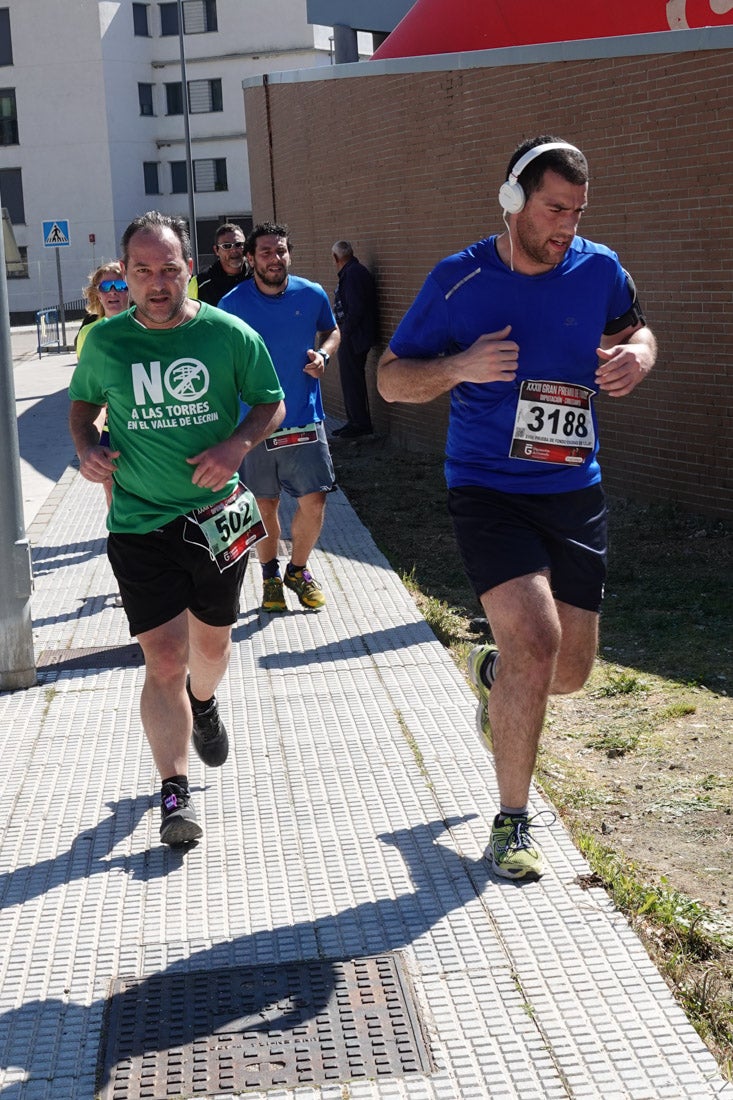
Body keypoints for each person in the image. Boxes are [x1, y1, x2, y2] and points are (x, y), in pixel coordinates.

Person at [377, 136, 657, 881]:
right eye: (553, 207)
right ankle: (511, 820)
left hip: (573, 492)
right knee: (536, 640)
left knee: (567, 670)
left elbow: (635, 329)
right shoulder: (458, 281)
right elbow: (391, 380)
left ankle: (495, 676)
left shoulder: (599, 269)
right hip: (487, 490)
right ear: (512, 200)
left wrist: (640, 356)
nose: (566, 224)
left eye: (577, 210)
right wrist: (458, 366)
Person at [69, 211, 285, 847]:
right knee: (163, 657)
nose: (157, 283)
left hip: (216, 517)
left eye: (169, 269)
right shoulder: (107, 343)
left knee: (210, 651)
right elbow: (83, 405)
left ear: (190, 268)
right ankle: (175, 790)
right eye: (143, 272)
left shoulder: (227, 333)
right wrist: (87, 447)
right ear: (125, 276)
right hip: (138, 521)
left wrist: (237, 447)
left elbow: (270, 401)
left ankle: (207, 701)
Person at [218, 221, 340, 613]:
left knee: (315, 502)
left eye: (281, 251)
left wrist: (324, 355)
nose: (275, 259)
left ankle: (298, 570)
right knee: (264, 505)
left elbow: (332, 331)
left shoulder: (312, 293)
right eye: (266, 252)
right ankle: (270, 575)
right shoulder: (232, 305)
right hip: (254, 424)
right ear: (250, 258)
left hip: (305, 417)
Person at [331, 240, 378, 438]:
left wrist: (344, 333)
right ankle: (355, 421)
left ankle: (359, 423)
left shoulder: (353, 274)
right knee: (351, 379)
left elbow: (356, 309)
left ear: (336, 258)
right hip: (353, 334)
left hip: (353, 336)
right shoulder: (353, 272)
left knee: (351, 379)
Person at [188, 222, 249, 305]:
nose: (234, 250)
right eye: (226, 246)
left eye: (238, 245)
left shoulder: (257, 277)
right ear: (216, 250)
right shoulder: (200, 284)